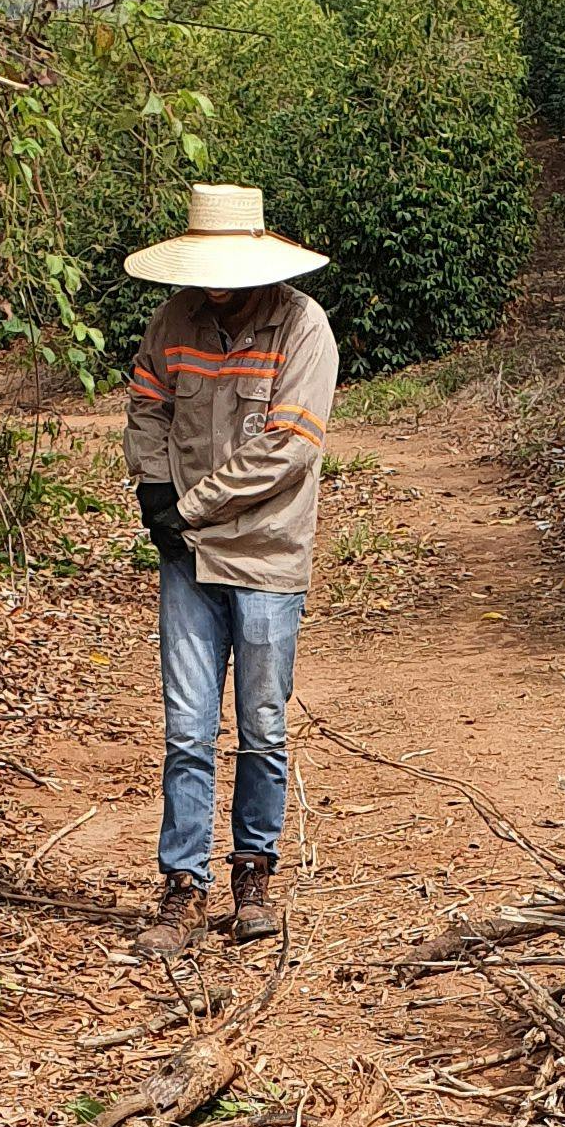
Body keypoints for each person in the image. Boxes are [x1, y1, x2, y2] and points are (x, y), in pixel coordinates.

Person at [122, 181, 338, 940]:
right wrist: (152, 485)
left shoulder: (303, 329)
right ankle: (183, 884)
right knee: (186, 729)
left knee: (261, 724)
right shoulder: (173, 319)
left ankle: (254, 875)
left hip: (267, 555)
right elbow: (148, 404)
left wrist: (184, 507)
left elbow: (288, 449)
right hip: (188, 557)